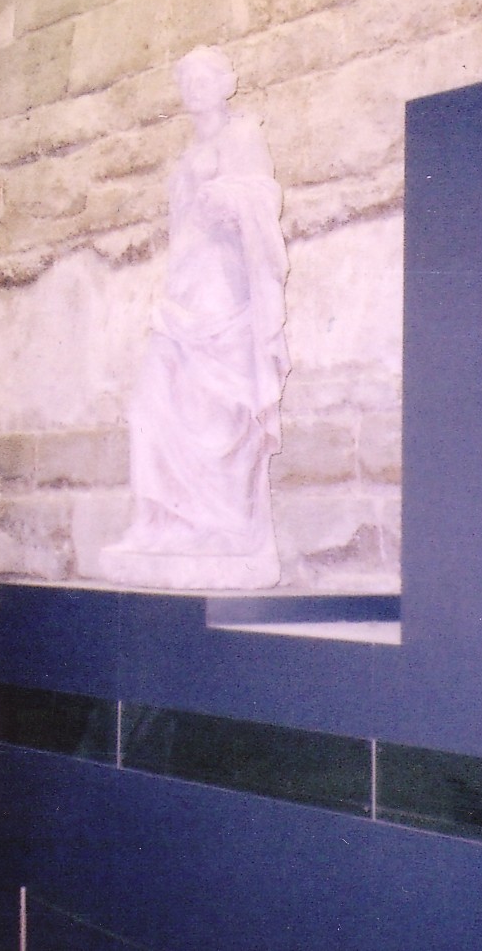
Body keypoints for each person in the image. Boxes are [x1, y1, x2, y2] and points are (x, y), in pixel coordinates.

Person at [102, 46, 290, 589]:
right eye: (186, 79)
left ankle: (223, 527)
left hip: (222, 290)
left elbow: (262, 196)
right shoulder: (189, 151)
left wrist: (228, 198)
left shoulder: (241, 135)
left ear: (227, 81)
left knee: (217, 411)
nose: (195, 86)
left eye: (205, 76)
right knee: (151, 402)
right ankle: (160, 522)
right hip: (183, 287)